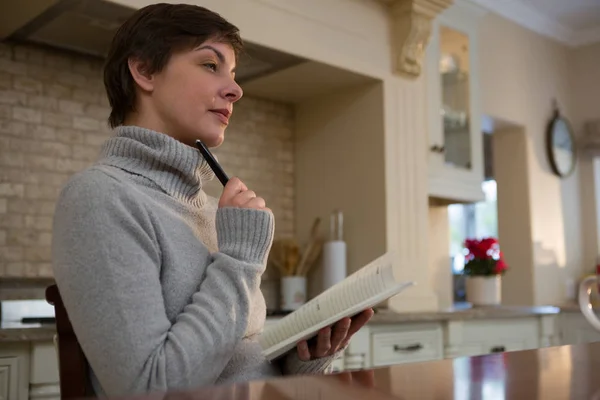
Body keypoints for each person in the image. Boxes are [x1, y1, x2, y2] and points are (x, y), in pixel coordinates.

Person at [51, 2, 374, 397]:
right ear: (144, 71)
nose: (235, 90)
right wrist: (240, 258)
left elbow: (233, 359)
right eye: (210, 65)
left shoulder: (210, 209)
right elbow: (150, 388)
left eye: (233, 74)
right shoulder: (100, 197)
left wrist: (302, 359)